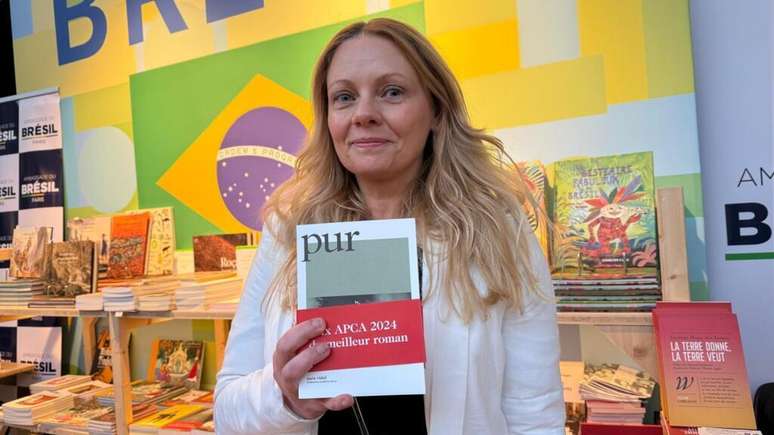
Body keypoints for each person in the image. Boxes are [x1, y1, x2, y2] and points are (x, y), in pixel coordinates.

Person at [215, 18, 565, 435]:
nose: (364, 114)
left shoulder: (496, 228)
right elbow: (227, 410)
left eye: (392, 91)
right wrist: (284, 398)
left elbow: (534, 412)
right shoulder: (288, 232)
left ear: (437, 110)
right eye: (344, 97)